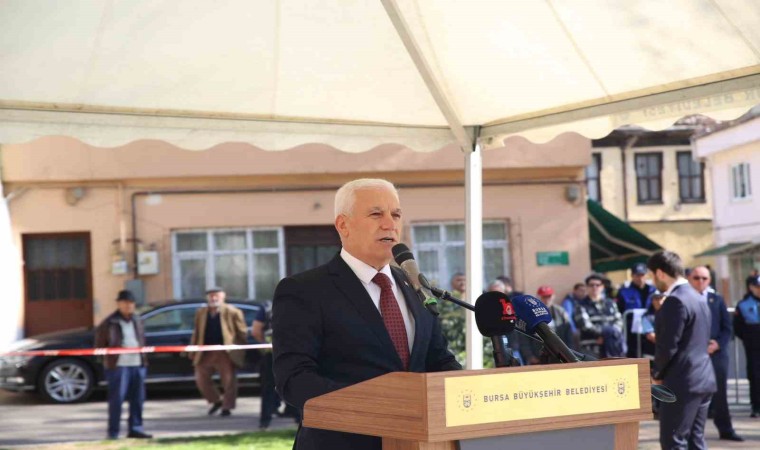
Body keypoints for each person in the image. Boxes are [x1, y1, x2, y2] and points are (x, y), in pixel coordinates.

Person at [272, 178, 462, 450]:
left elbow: (438, 359)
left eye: (396, 214)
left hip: (417, 441)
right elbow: (294, 379)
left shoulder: (415, 285)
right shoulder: (304, 290)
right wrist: (378, 406)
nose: (390, 224)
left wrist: (465, 393)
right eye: (376, 214)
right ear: (343, 225)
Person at [648, 251, 716, 450]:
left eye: (652, 275)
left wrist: (657, 374)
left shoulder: (676, 300)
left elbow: (668, 345)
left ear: (660, 273)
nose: (652, 281)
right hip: (703, 378)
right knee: (696, 441)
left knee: (673, 442)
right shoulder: (697, 296)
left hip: (682, 381)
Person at [688, 266, 742, 441]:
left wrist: (717, 344)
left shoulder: (716, 300)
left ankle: (725, 429)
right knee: (692, 395)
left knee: (720, 393)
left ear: (709, 280)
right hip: (693, 354)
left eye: (704, 278)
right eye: (696, 278)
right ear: (689, 279)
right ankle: (691, 434)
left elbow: (727, 328)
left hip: (716, 353)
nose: (700, 281)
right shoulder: (684, 300)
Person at [94, 290, 152, 440]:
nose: (128, 306)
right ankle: (113, 432)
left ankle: (136, 428)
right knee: (117, 399)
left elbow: (141, 340)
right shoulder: (109, 322)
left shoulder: (137, 320)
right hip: (118, 366)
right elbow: (100, 344)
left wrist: (143, 360)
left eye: (131, 303)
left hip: (137, 364)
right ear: (118, 304)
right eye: (125, 303)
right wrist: (107, 361)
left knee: (138, 399)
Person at [188, 287, 248, 417]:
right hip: (206, 351)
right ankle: (216, 401)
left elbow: (242, 332)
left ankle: (227, 407)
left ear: (223, 297)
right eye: (211, 296)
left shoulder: (233, 312)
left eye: (216, 296)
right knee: (201, 379)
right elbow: (196, 332)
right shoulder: (201, 312)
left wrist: (238, 349)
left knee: (228, 381)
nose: (213, 298)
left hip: (225, 352)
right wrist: (193, 349)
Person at [252, 301, 300, 431]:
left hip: (272, 353)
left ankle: (265, 422)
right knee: (296, 385)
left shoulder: (267, 307)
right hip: (294, 353)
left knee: (268, 388)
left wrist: (265, 345)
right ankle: (299, 420)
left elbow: (256, 330)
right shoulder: (300, 305)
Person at [518, 285, 573, 364]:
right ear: (538, 298)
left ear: (553, 296)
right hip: (539, 356)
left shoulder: (561, 312)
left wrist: (570, 354)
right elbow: (524, 338)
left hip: (561, 355)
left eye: (549, 296)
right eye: (544, 297)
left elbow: (569, 335)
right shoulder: (530, 314)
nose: (547, 300)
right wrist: (530, 356)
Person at [573, 273, 625, 358]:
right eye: (591, 285)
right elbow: (584, 325)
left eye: (598, 285)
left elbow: (619, 321)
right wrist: (603, 334)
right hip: (591, 348)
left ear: (602, 287)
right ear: (587, 287)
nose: (594, 287)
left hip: (612, 347)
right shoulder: (580, 305)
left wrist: (608, 335)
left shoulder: (610, 303)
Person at [616, 263, 656, 358]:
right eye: (637, 275)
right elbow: (620, 311)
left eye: (642, 275)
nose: (640, 278)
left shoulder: (654, 291)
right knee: (633, 356)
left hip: (651, 328)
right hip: (632, 331)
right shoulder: (623, 292)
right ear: (632, 276)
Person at [734, 274, 760, 418]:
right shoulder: (743, 305)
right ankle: (756, 406)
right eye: (757, 287)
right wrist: (750, 338)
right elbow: (738, 327)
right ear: (751, 287)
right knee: (755, 375)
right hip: (753, 346)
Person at [562, 282, 586, 350]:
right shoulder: (569, 301)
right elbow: (568, 317)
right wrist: (574, 330)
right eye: (581, 290)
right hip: (574, 332)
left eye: (584, 291)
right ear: (575, 291)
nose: (583, 293)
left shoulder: (582, 301)